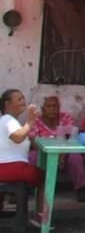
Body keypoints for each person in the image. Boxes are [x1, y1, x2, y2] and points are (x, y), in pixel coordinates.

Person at [27, 94, 85, 202]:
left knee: (76, 157)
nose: (52, 109)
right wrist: (50, 154)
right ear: (43, 109)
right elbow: (33, 142)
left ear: (59, 108)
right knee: (32, 156)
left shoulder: (66, 118)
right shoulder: (36, 121)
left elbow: (72, 137)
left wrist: (62, 153)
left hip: (65, 154)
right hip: (44, 154)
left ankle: (81, 189)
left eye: (54, 106)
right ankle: (30, 187)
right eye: (48, 106)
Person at [0, 89, 47, 225]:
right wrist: (30, 121)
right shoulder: (8, 119)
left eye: (23, 98)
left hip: (6, 168)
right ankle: (40, 216)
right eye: (19, 99)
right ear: (7, 103)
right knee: (44, 176)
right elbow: (18, 137)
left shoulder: (6, 121)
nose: (23, 102)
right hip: (11, 168)